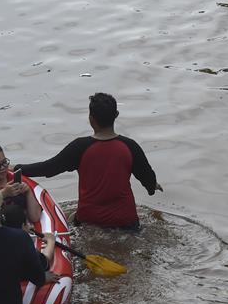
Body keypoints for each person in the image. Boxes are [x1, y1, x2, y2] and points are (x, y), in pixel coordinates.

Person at [17, 92, 163, 230]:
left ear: (91, 118)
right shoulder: (131, 146)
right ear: (116, 115)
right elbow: (147, 177)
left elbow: (49, 168)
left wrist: (17, 168)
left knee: (71, 218)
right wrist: (152, 186)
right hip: (126, 221)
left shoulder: (79, 147)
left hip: (89, 220)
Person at [3, 203, 57, 270]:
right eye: (27, 221)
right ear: (23, 226)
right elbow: (44, 263)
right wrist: (51, 241)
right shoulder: (23, 246)